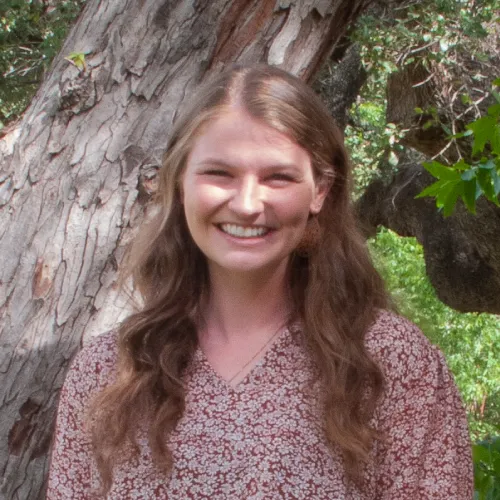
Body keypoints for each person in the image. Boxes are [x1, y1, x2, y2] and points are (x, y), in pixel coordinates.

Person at [47, 64, 473, 499]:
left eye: (278, 177)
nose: (248, 204)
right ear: (179, 184)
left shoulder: (389, 361)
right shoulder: (107, 375)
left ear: (320, 190)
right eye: (219, 173)